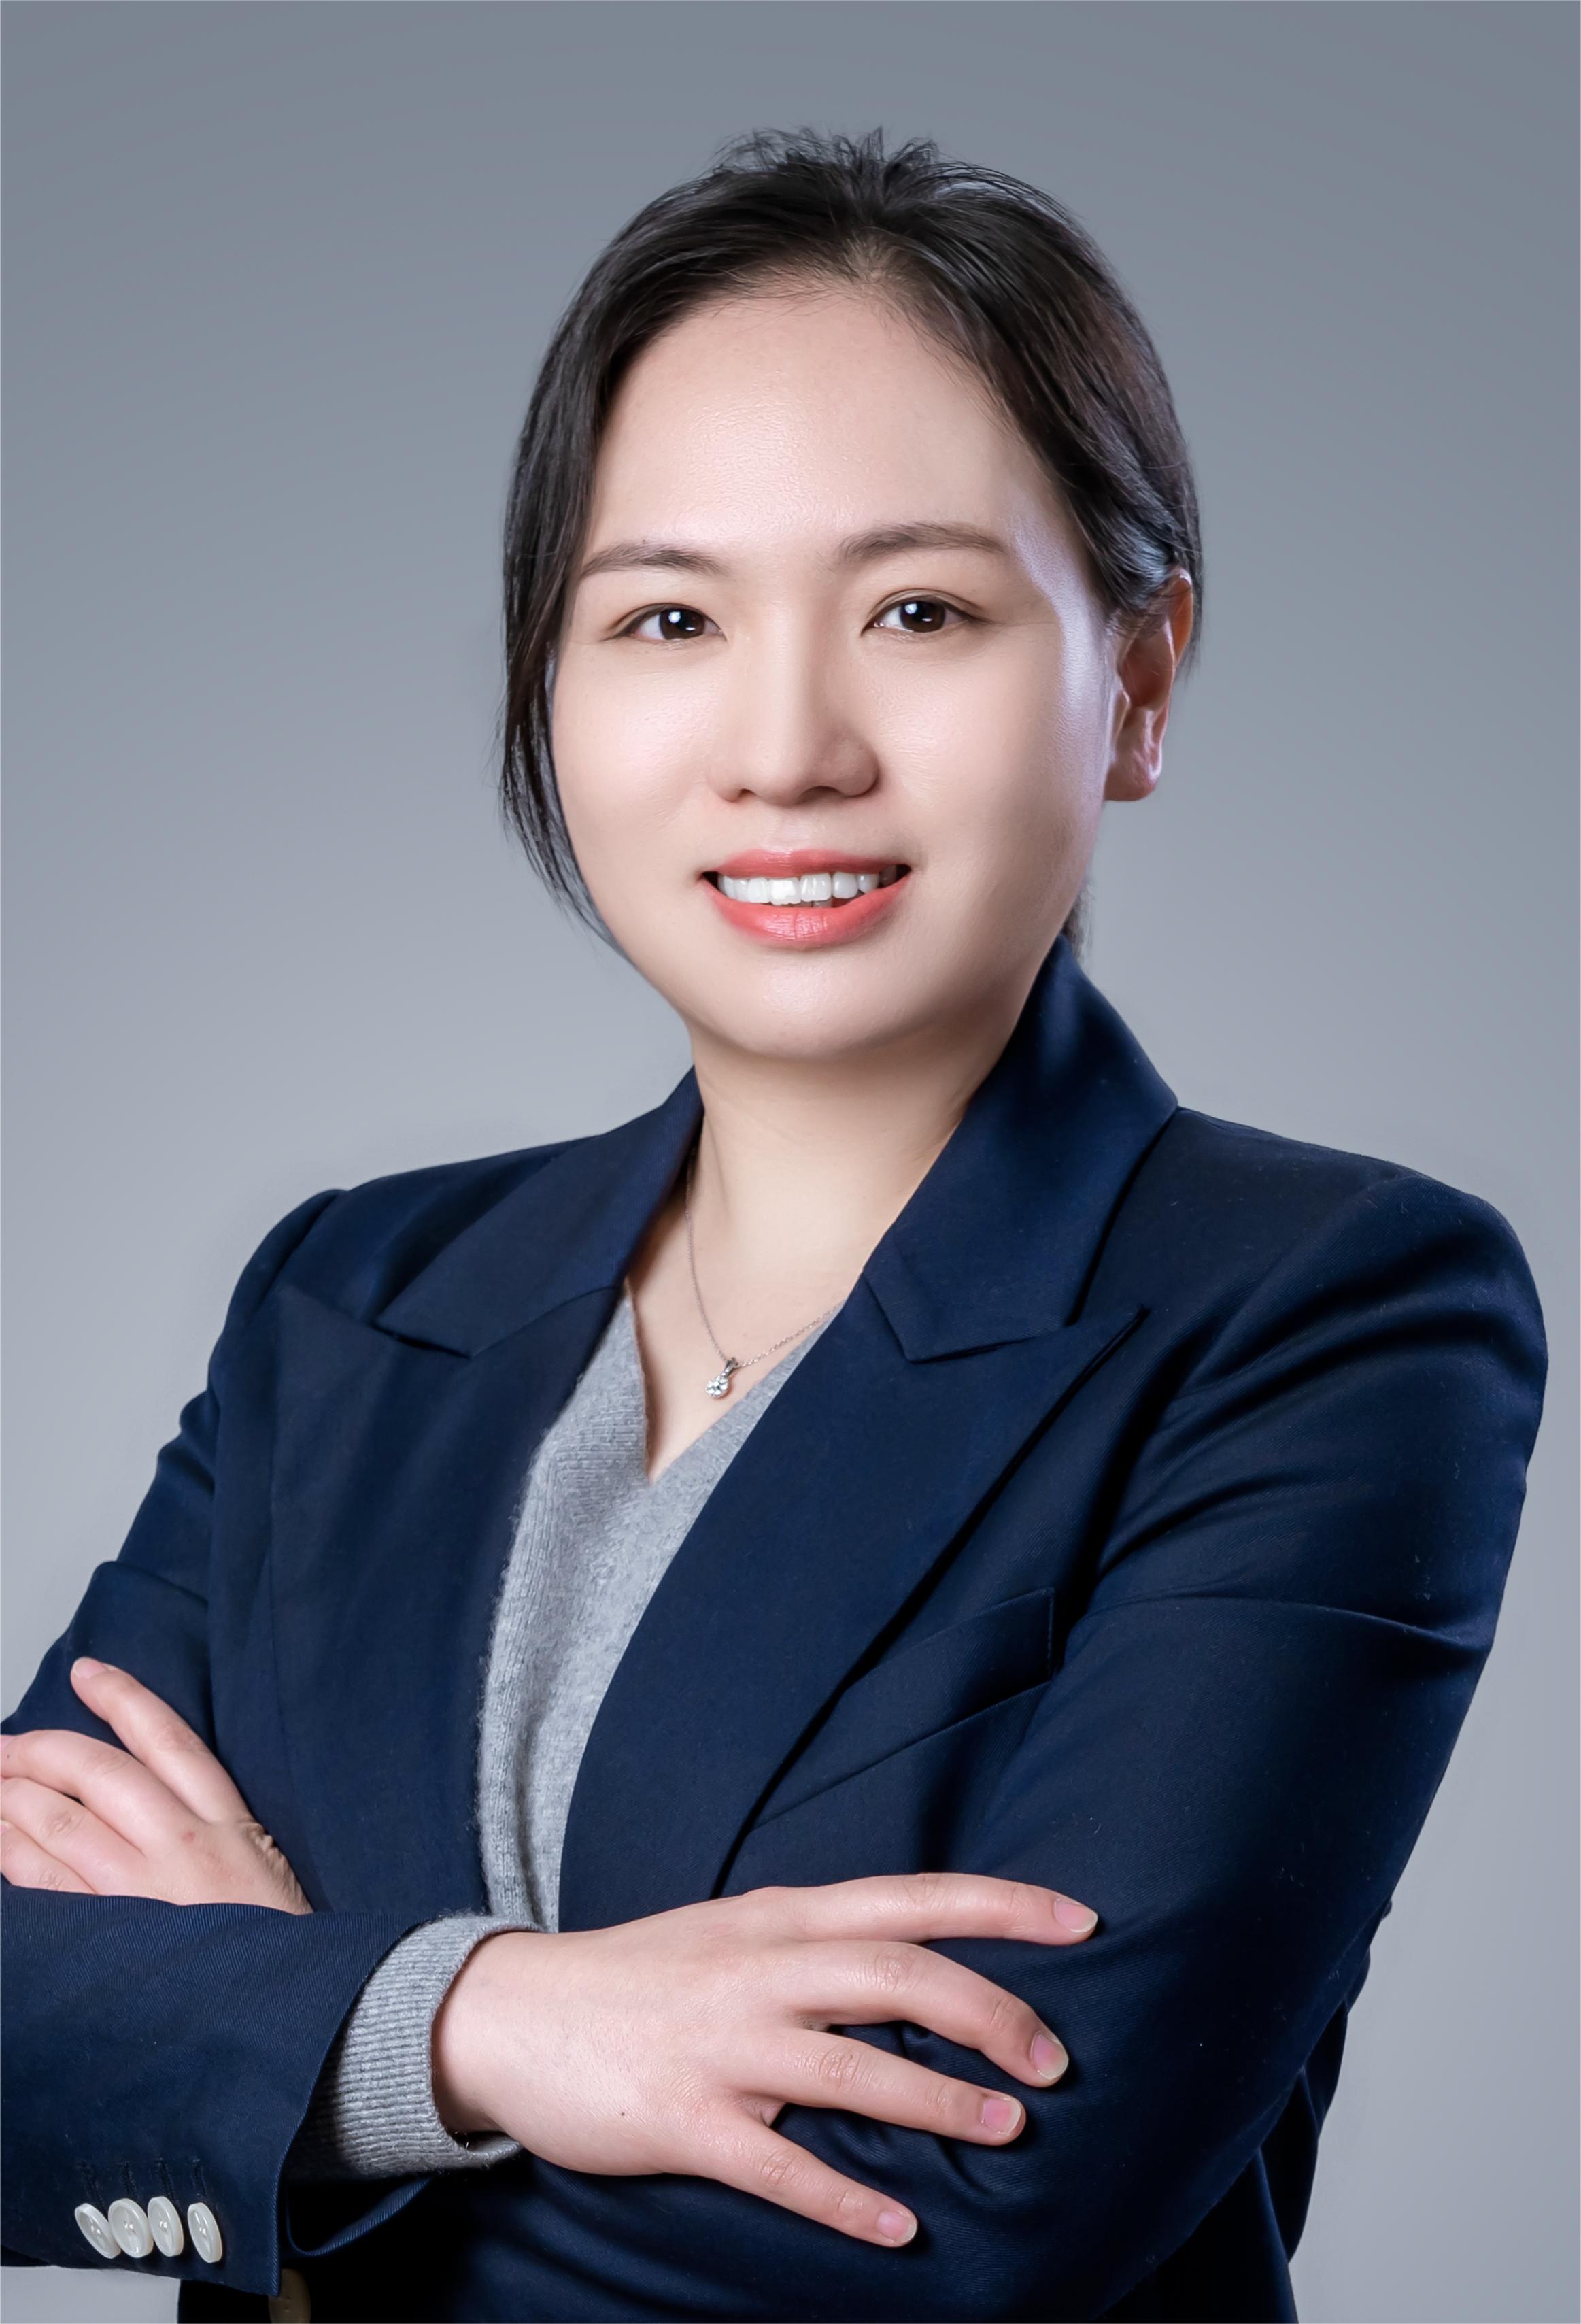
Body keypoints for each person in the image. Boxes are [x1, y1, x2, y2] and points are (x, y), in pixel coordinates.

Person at [0, 129, 1545, 2324]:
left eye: (920, 611)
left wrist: (273, 2045)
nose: (788, 745)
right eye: (668, 617)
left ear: (1140, 673)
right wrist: (494, 2023)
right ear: (550, 681)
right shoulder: (350, 1300)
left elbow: (968, 2229)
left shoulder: (1330, 1317)